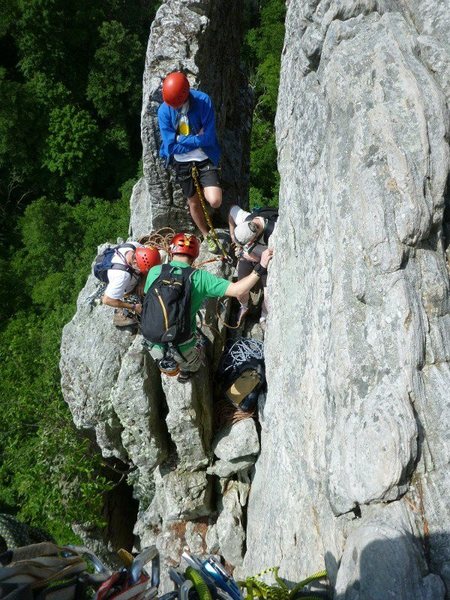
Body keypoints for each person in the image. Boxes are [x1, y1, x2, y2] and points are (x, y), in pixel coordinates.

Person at [143, 232, 273, 383]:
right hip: (184, 346)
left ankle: (166, 365)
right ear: (196, 255)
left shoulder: (155, 271)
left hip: (153, 343)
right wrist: (261, 267)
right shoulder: (200, 277)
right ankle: (187, 371)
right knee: (195, 357)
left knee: (167, 351)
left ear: (171, 250)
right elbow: (238, 290)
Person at [157, 72, 222, 253]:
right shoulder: (164, 110)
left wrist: (179, 139)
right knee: (193, 201)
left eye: (176, 104)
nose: (174, 108)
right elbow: (170, 146)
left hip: (203, 157)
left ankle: (211, 213)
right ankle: (206, 234)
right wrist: (195, 139)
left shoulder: (203, 102)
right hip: (181, 162)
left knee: (215, 200)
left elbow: (209, 138)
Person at [228, 205, 278, 328]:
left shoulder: (275, 234)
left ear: (253, 239)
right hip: (248, 257)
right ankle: (244, 307)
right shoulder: (246, 219)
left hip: (267, 262)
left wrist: (257, 259)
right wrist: (233, 236)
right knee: (240, 291)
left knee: (268, 298)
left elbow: (279, 260)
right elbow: (231, 210)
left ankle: (263, 316)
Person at [102, 244, 161, 327]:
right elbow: (107, 300)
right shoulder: (122, 276)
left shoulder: (133, 246)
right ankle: (122, 310)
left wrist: (143, 282)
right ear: (135, 263)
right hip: (122, 281)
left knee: (163, 254)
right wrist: (133, 307)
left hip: (126, 271)